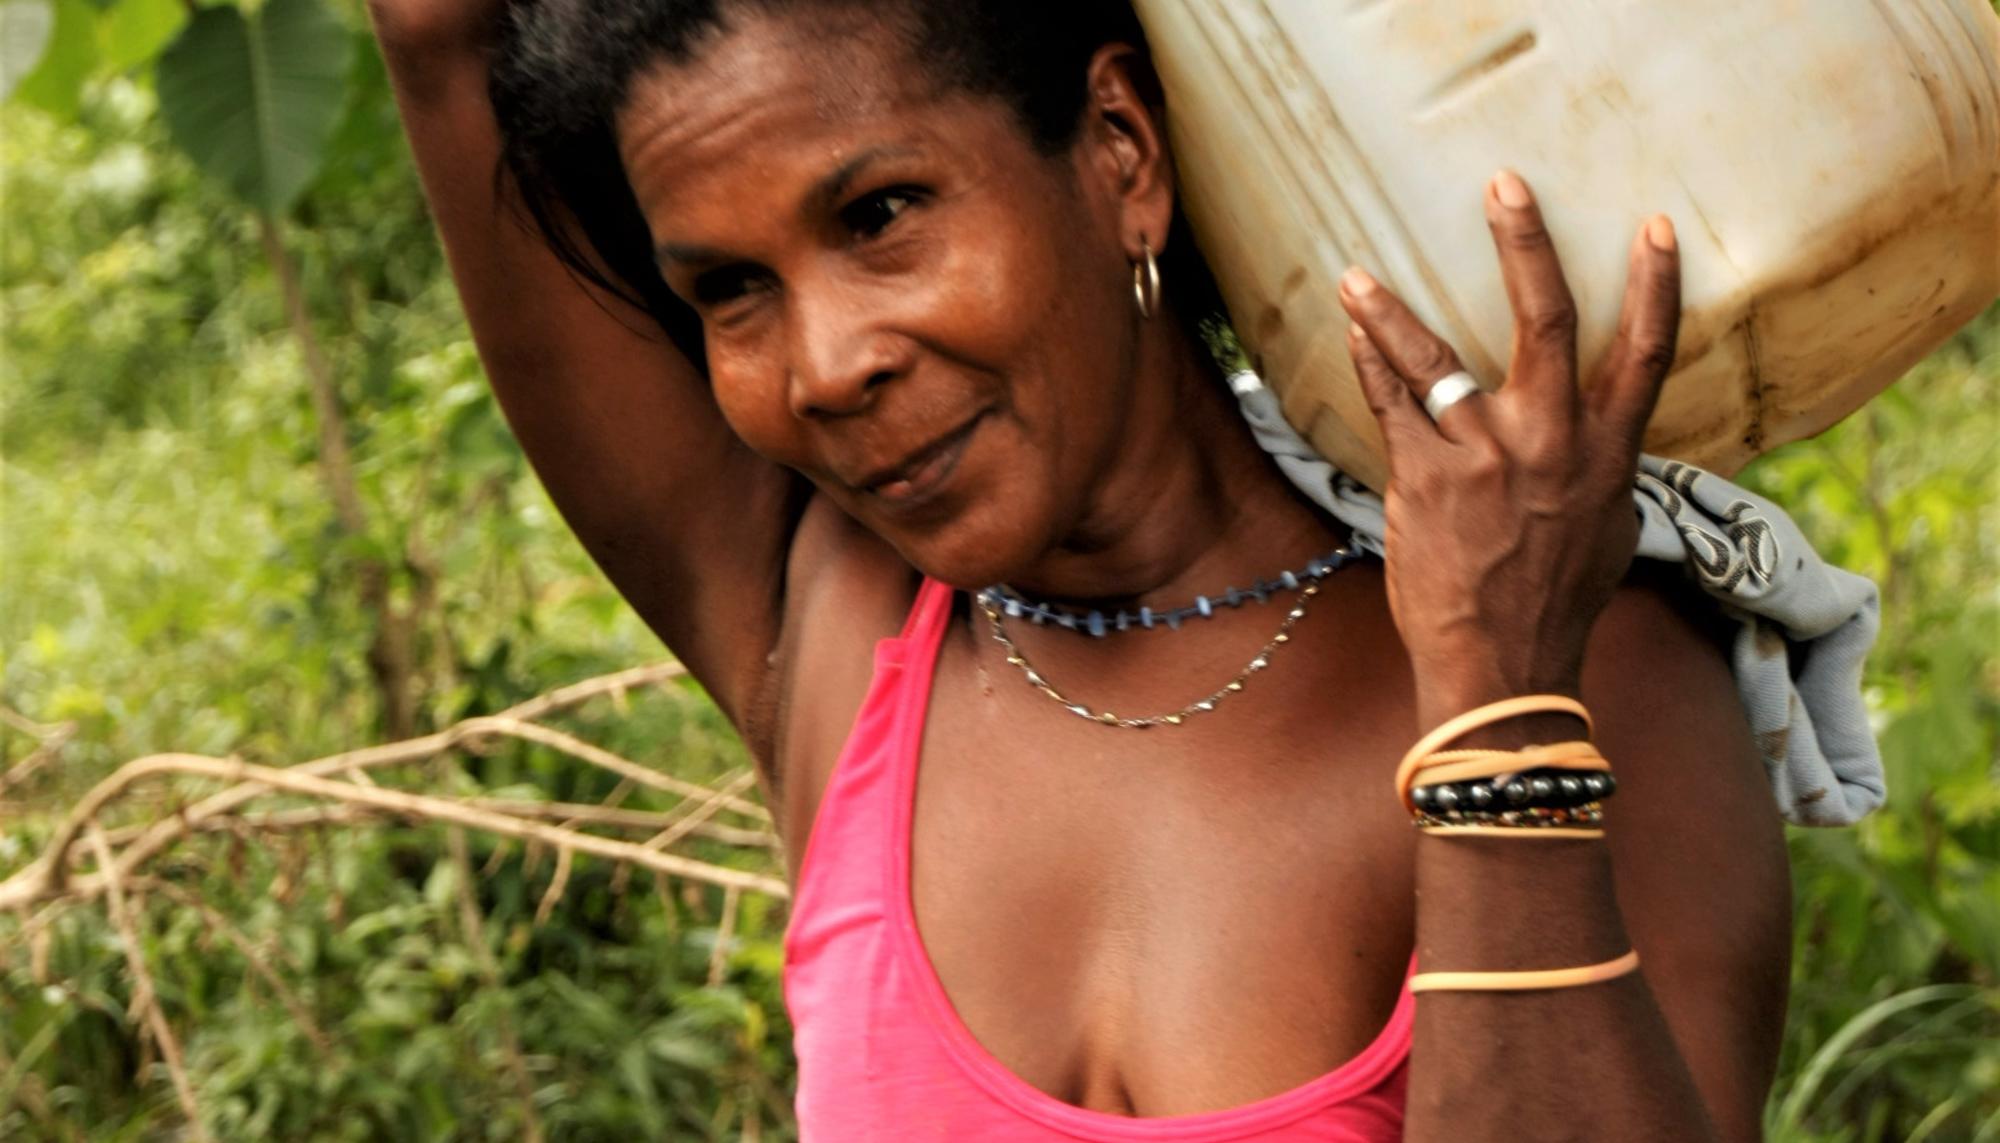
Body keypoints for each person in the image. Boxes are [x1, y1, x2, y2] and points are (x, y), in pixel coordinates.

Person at [367, 1, 1806, 1137]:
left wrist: (1496, 701)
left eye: (880, 217)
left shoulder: (1590, 665)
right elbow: (438, 32)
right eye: (730, 292)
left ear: (1119, 149)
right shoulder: (819, 615)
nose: (823, 366)